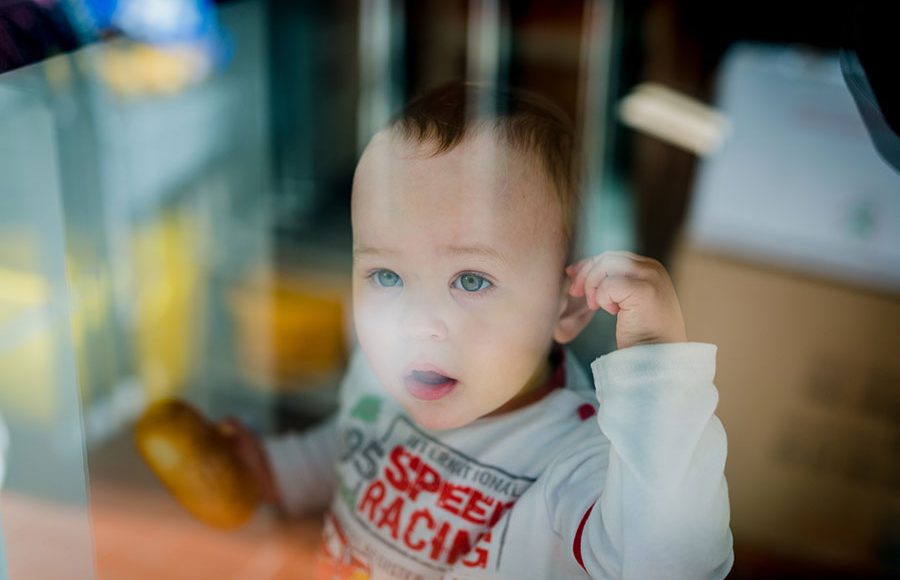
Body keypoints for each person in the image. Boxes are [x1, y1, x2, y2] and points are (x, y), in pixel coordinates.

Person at [224, 81, 733, 579]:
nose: (416, 324)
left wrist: (655, 368)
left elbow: (671, 562)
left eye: (470, 280)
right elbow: (348, 449)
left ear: (567, 308)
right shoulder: (381, 380)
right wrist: (272, 472)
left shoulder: (579, 461)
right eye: (387, 275)